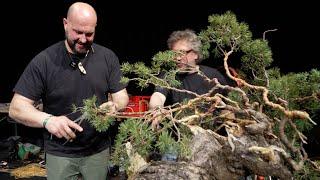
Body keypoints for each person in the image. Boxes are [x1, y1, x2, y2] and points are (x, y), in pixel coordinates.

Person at [9, 2, 129, 180]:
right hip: (60, 153)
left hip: (98, 151)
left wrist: (114, 106)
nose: (83, 39)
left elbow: (122, 98)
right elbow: (16, 108)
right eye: (78, 32)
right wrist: (48, 120)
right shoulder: (44, 61)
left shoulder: (107, 57)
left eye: (89, 34)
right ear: (65, 24)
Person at [149, 29, 231, 110]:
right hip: (181, 122)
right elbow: (158, 95)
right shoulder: (168, 75)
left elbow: (230, 101)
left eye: (182, 53)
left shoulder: (213, 75)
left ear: (195, 54)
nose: (177, 58)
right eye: (174, 54)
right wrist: (157, 109)